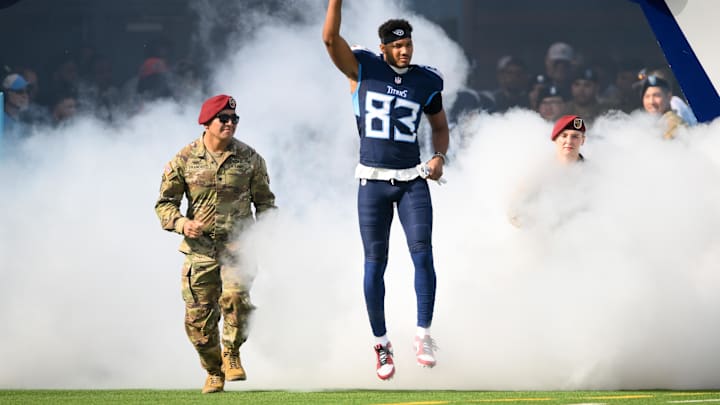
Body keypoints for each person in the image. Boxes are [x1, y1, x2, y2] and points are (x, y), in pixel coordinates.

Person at [322, 0, 449, 380]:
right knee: (375, 264)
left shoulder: (426, 80)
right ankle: (381, 344)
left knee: (423, 253)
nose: (404, 50)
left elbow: (440, 126)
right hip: (372, 181)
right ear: (383, 48)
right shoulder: (363, 67)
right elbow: (330, 39)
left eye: (408, 43)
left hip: (412, 179)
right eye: (396, 45)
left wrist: (439, 155)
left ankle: (423, 334)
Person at [155, 94, 277, 394]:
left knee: (236, 300)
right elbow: (164, 204)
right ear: (206, 122)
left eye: (234, 119)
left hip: (238, 248)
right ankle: (213, 370)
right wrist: (182, 223)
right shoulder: (184, 159)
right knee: (198, 322)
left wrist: (259, 240)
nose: (230, 124)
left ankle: (232, 352)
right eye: (224, 119)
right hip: (200, 252)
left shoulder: (250, 159)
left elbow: (266, 205)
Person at [640, 75, 685, 139]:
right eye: (647, 96)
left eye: (657, 96)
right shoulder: (653, 123)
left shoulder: (673, 123)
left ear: (668, 97)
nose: (651, 102)